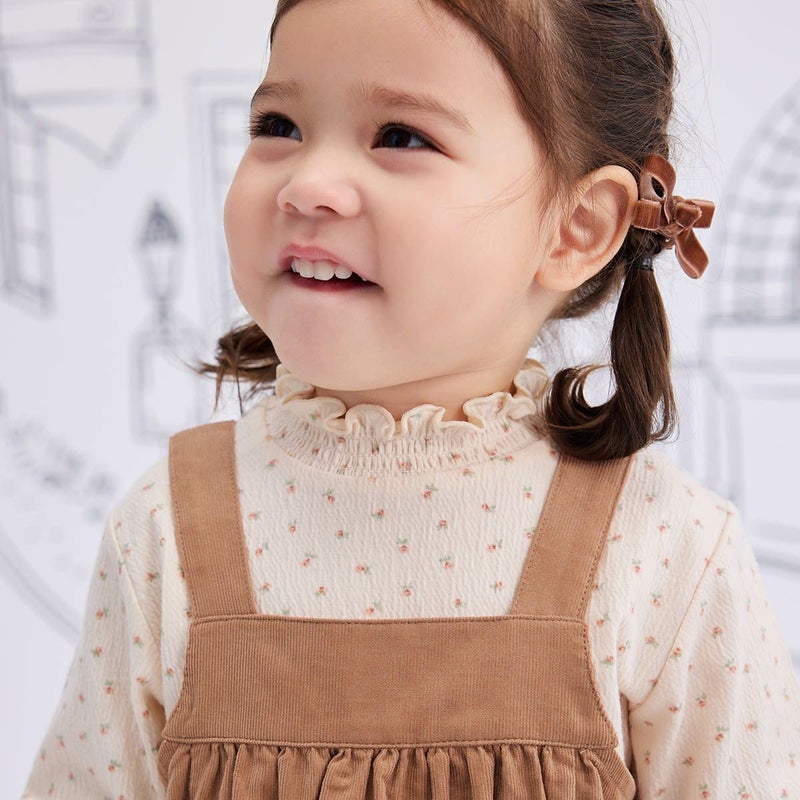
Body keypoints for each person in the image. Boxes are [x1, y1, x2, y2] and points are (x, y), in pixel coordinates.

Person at [23, 0, 800, 797]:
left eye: (400, 137)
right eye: (279, 125)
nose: (307, 184)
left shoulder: (665, 549)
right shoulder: (166, 532)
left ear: (575, 226)